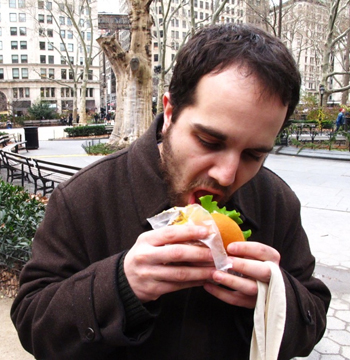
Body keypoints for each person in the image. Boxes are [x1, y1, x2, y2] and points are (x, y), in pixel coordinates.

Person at [11, 24, 330, 360]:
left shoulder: (276, 201)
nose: (226, 175)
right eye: (210, 141)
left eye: (254, 155)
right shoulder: (84, 197)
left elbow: (313, 317)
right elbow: (34, 326)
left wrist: (276, 297)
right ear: (169, 112)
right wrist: (119, 285)